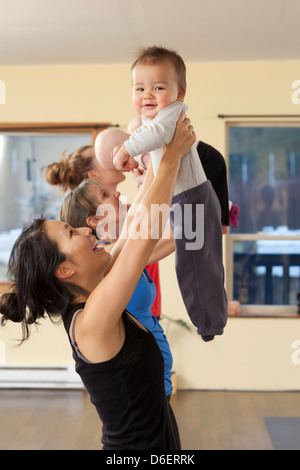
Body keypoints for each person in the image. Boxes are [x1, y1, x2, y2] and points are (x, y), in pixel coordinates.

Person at [0, 112, 194, 450]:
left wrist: (146, 168)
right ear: (64, 270)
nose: (88, 230)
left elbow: (135, 225)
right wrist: (171, 157)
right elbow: (145, 232)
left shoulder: (97, 289)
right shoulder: (91, 322)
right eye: (72, 233)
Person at [105, 46, 227, 341]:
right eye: (140, 88)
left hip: (192, 200)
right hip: (186, 198)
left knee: (196, 264)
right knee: (194, 262)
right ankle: (209, 320)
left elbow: (155, 136)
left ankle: (210, 323)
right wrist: (136, 158)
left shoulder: (171, 116)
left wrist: (127, 148)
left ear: (179, 93)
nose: (147, 95)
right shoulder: (156, 121)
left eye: (158, 87)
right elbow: (156, 161)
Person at [59, 178, 174, 397]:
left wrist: (148, 175)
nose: (117, 194)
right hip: (145, 388)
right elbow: (174, 236)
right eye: (105, 195)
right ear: (95, 220)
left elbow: (137, 215)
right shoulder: (106, 259)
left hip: (158, 382)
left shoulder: (118, 248)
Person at [95, 127, 162, 318]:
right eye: (104, 194)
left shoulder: (130, 213)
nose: (117, 194)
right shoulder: (107, 251)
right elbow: (177, 233)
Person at [44, 144, 125, 193]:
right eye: (102, 159)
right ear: (93, 175)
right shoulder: (110, 217)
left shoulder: (123, 209)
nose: (113, 157)